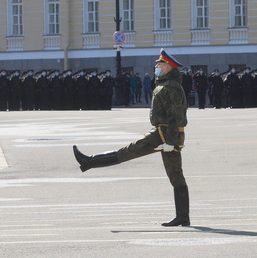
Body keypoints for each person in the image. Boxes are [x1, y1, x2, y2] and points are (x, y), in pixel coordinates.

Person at [72, 49, 191, 227]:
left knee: (129, 152)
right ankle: (183, 217)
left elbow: (175, 116)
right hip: (165, 134)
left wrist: (170, 142)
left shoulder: (171, 87)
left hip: (163, 134)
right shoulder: (165, 85)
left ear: (168, 67)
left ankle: (90, 162)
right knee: (175, 174)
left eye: (159, 64)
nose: (156, 67)